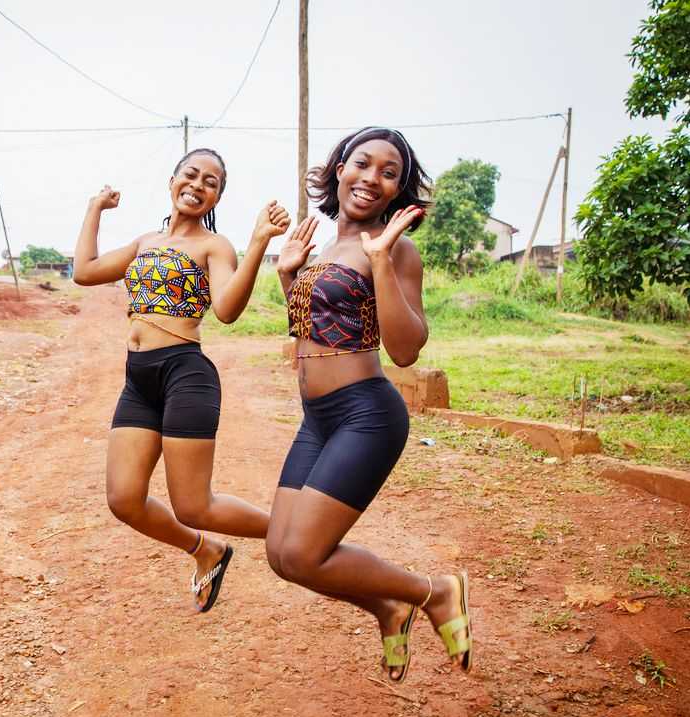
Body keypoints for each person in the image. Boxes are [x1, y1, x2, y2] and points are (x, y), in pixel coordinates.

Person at [265, 127, 473, 682]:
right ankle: (388, 607)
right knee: (282, 555)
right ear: (340, 170)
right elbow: (315, 330)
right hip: (318, 420)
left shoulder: (397, 249)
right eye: (362, 164)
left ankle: (434, 592)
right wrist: (289, 276)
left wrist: (380, 261)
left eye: (389, 173)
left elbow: (405, 350)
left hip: (367, 414)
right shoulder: (322, 249)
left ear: (397, 191)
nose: (372, 178)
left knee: (305, 552)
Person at [73, 148, 290, 612]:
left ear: (217, 198)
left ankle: (297, 532)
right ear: (172, 180)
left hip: (184, 374)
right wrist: (95, 208)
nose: (198, 185)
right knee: (124, 499)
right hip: (138, 380)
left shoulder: (215, 247)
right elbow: (84, 271)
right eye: (191, 174)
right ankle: (205, 549)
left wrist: (257, 243)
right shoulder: (145, 242)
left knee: (194, 505)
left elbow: (227, 310)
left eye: (211, 182)